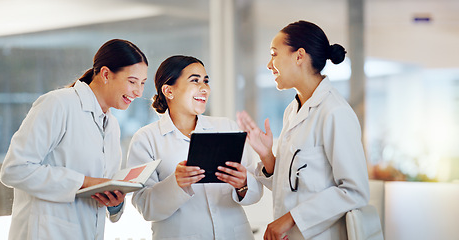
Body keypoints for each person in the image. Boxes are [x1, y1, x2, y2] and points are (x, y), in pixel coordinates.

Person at [0, 39, 148, 240]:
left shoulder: (111, 125)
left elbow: (104, 187)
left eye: (142, 84)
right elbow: (14, 170)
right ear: (105, 74)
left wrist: (115, 204)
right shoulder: (58, 104)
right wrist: (85, 182)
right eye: (132, 82)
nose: (138, 92)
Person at [236, 20, 370, 240]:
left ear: (299, 56)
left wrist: (289, 219)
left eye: (274, 54)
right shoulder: (293, 110)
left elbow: (355, 191)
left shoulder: (334, 112)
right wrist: (267, 156)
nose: (270, 65)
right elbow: (295, 184)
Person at [126, 55, 263, 239]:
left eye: (206, 81)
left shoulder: (226, 128)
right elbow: (145, 207)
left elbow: (255, 193)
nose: (204, 88)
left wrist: (243, 184)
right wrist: (177, 183)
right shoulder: (146, 139)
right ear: (168, 91)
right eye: (195, 80)